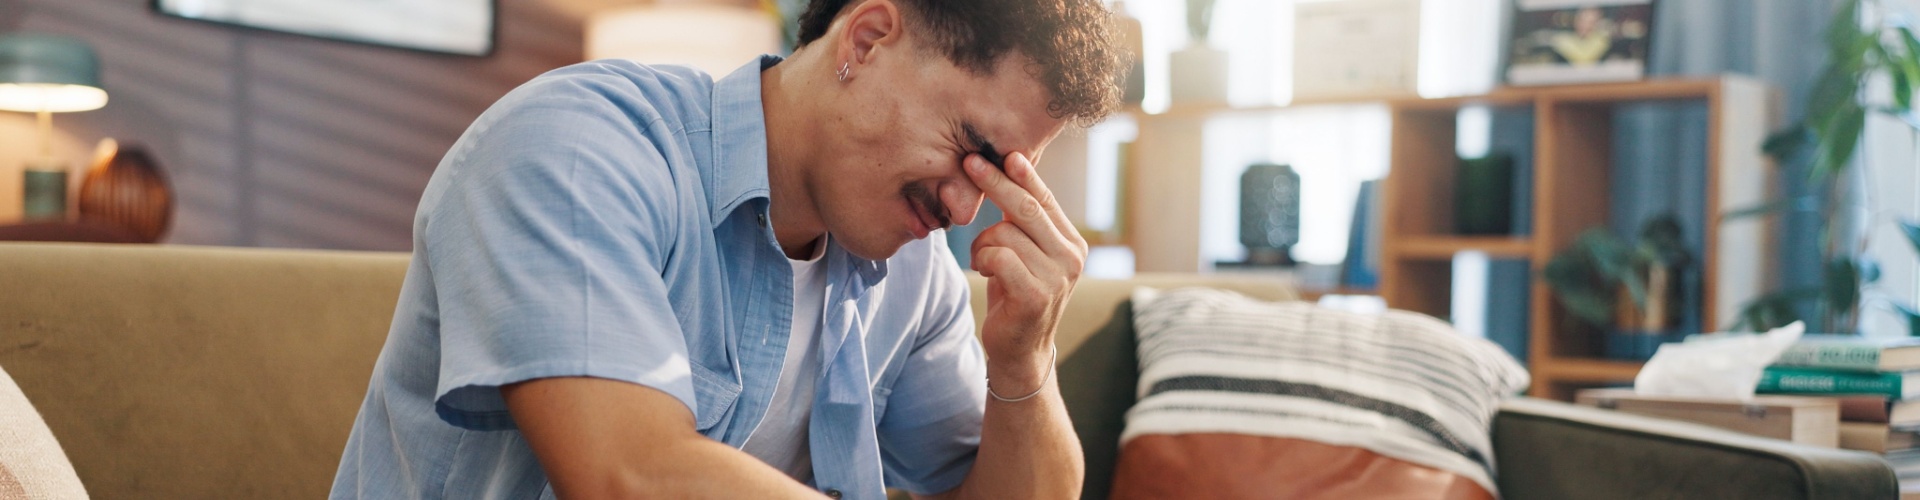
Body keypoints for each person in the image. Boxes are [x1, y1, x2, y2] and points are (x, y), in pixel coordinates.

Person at [329, 0, 1125, 498]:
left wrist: (1024, 360)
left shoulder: (911, 272)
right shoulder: (575, 150)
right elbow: (627, 475)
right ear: (869, 37)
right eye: (970, 149)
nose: (963, 208)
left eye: (999, 179)